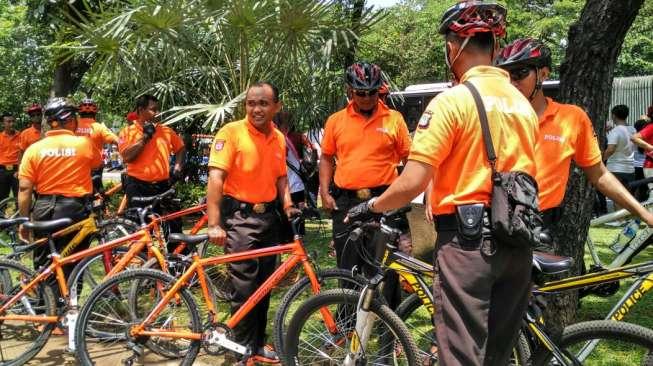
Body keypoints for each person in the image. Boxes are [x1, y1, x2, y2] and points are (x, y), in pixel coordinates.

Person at [346, 3, 537, 365]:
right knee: (496, 356)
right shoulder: (522, 104)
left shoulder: (452, 102)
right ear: (495, 47)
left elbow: (413, 180)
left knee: (461, 353)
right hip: (517, 241)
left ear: (454, 46)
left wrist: (370, 206)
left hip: (469, 247)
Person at [496, 38, 653, 240]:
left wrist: (644, 214)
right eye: (505, 76)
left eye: (520, 73)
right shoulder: (494, 117)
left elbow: (599, 174)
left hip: (542, 228)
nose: (512, 82)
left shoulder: (571, 118)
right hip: (496, 224)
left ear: (543, 74)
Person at [206, 82, 298, 363]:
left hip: (269, 219)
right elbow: (215, 178)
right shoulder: (231, 133)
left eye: (263, 103)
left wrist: (288, 206)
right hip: (240, 219)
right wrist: (214, 223)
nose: (256, 109)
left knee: (265, 285)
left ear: (276, 107)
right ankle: (240, 349)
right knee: (244, 288)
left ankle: (257, 345)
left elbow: (281, 178)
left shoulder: (279, 138)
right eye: (251, 103)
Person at [17, 98, 102, 309]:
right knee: (74, 263)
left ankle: (44, 310)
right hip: (75, 209)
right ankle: (67, 310)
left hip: (44, 208)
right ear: (69, 120)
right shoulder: (84, 143)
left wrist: (23, 220)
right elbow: (97, 164)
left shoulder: (35, 149)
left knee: (44, 262)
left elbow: (25, 189)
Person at [118, 94, 186, 241]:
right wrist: (145, 137)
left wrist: (177, 168)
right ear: (141, 110)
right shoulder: (128, 132)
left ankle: (176, 258)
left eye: (158, 109)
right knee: (140, 229)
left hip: (163, 186)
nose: (157, 113)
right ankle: (143, 260)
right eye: (153, 109)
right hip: (138, 186)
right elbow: (127, 157)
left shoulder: (166, 131)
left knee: (174, 223)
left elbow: (180, 148)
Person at [76, 98, 119, 193]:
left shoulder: (73, 125)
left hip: (75, 169)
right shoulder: (99, 127)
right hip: (94, 170)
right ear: (95, 112)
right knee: (98, 198)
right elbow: (118, 141)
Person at [604, 105, 636, 194]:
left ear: (613, 115)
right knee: (628, 198)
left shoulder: (616, 131)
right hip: (630, 169)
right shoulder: (633, 130)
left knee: (617, 198)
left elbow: (610, 149)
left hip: (615, 168)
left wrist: (601, 159)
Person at [0, 113, 20, 203]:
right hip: (2, 171)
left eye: (13, 121)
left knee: (19, 196)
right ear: (3, 123)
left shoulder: (21, 136)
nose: (11, 124)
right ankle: (2, 216)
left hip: (17, 170)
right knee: (2, 196)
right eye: (8, 122)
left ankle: (20, 215)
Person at [633, 116, 651, 201]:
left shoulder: (636, 137)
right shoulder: (646, 136)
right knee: (646, 189)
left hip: (636, 166)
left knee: (636, 189)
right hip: (646, 165)